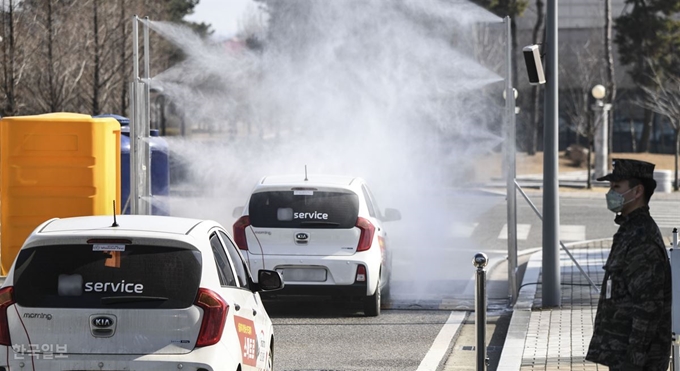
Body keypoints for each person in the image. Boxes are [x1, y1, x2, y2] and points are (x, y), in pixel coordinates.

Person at [586, 159, 672, 371]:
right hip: (624, 354)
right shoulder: (630, 230)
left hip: (639, 361)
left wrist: (634, 360)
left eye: (616, 187)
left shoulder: (642, 237)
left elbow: (648, 306)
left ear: (637, 192)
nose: (610, 193)